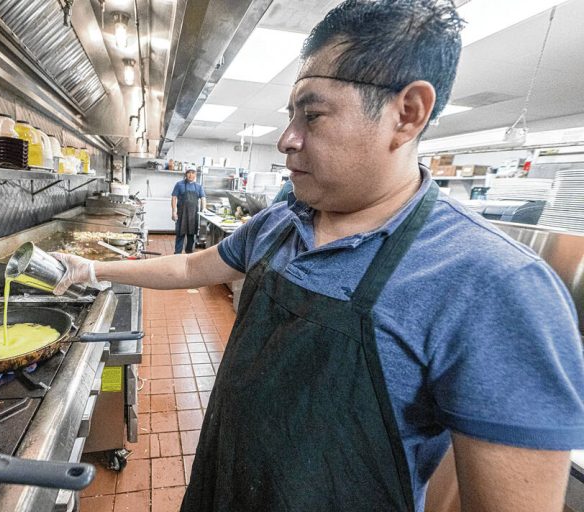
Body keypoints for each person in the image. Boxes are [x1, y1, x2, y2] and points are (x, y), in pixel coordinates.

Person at [52, 0, 584, 510]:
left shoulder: (495, 285)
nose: (286, 139)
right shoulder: (282, 223)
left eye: (313, 115)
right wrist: (93, 268)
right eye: (291, 116)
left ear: (408, 113)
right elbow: (193, 265)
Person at [171, 168, 206, 254]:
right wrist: (174, 211)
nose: (191, 175)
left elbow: (203, 198)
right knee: (180, 234)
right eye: (189, 173)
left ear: (195, 175)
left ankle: (189, 253)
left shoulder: (198, 186)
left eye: (193, 173)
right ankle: (177, 254)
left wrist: (204, 208)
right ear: (186, 174)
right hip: (181, 213)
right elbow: (174, 197)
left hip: (193, 215)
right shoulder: (179, 184)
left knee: (191, 235)